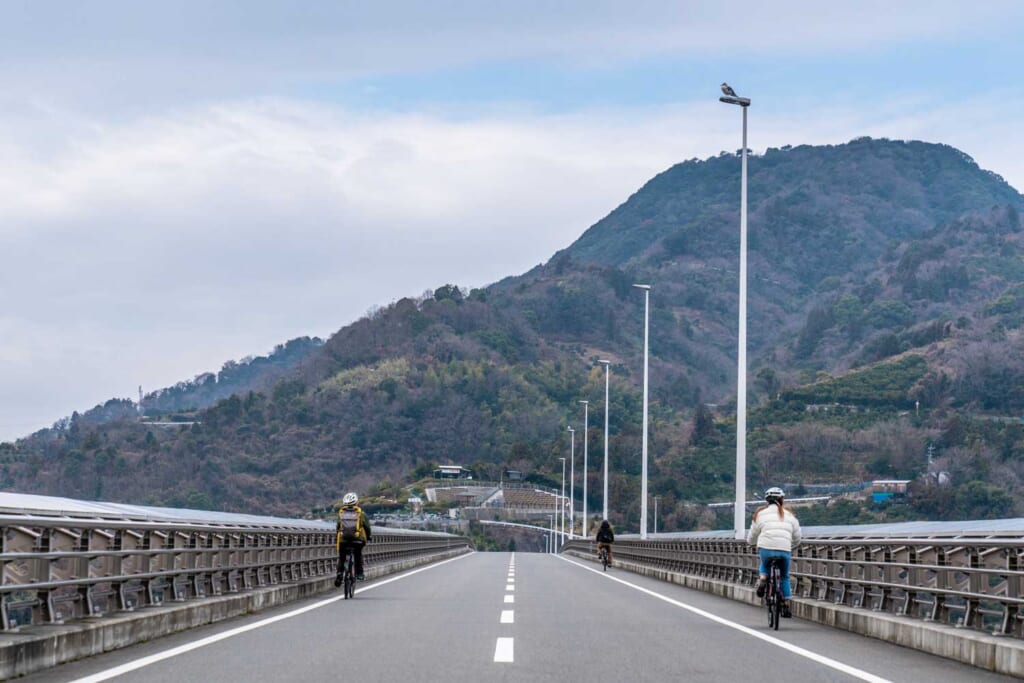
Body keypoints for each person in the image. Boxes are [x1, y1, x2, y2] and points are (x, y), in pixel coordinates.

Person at [747, 487, 801, 618]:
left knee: (765, 565)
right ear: (782, 499)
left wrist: (752, 543)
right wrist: (790, 545)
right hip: (784, 550)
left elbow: (752, 536)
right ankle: (786, 606)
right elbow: (797, 538)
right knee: (784, 577)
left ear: (767, 500)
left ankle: (763, 579)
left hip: (766, 547)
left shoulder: (760, 514)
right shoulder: (790, 516)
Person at [335, 492, 371, 584]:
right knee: (358, 554)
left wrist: (338, 537)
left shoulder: (341, 513)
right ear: (356, 502)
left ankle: (339, 574)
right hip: (357, 540)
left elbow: (338, 527)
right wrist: (369, 536)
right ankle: (359, 574)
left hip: (343, 540)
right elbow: (367, 528)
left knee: (342, 557)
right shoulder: (361, 513)